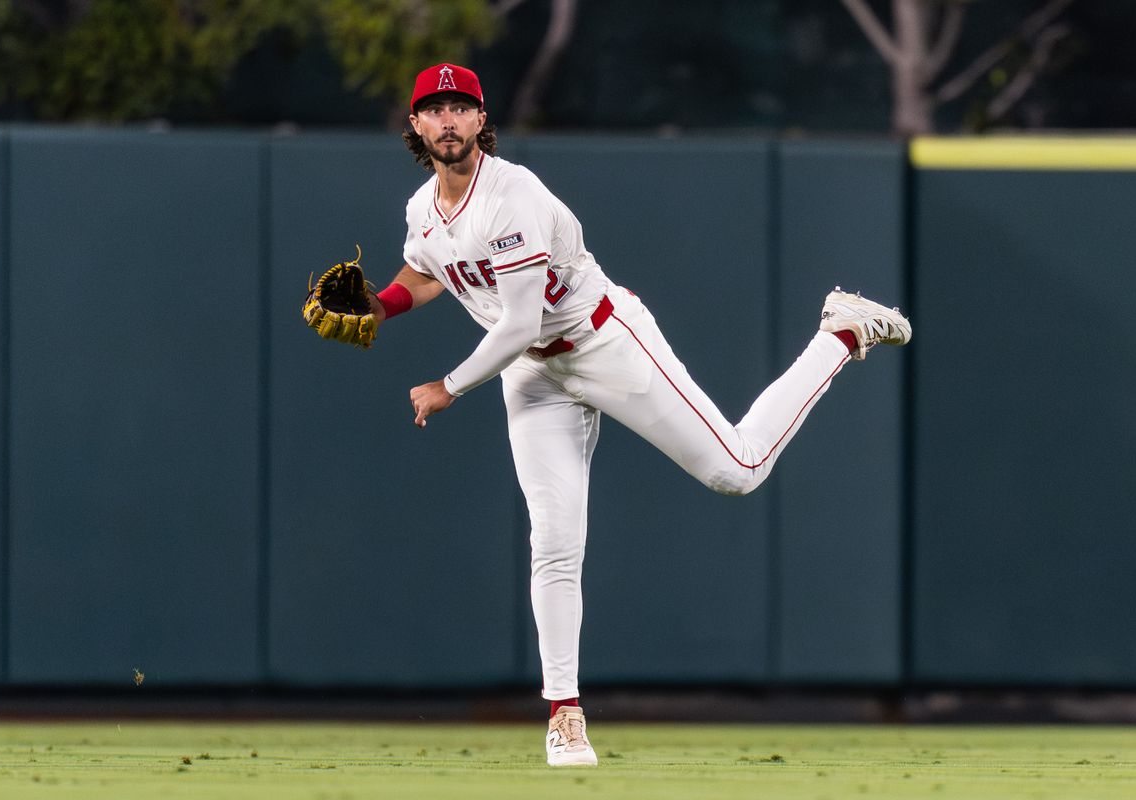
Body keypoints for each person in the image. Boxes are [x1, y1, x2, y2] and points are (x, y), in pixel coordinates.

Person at [366, 63, 912, 767]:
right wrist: (382, 304)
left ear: (480, 120)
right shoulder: (421, 208)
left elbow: (518, 320)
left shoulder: (513, 195)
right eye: (433, 109)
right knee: (553, 542)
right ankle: (565, 714)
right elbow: (430, 269)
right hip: (534, 374)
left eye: (459, 107)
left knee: (737, 469)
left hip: (599, 339)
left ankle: (840, 330)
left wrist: (449, 384)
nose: (446, 120)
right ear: (415, 125)